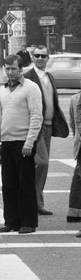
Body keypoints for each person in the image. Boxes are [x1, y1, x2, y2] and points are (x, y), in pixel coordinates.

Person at [0, 54, 42, 234]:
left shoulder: (31, 88)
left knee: (26, 184)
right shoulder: (3, 90)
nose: (10, 72)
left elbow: (37, 116)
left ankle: (28, 222)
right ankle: (11, 221)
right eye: (7, 69)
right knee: (8, 184)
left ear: (21, 70)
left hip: (24, 143)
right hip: (7, 142)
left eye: (14, 68)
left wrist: (30, 141)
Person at [23, 45, 69, 216]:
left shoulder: (49, 77)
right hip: (35, 127)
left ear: (48, 58)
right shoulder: (27, 77)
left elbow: (52, 103)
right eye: (37, 56)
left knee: (40, 165)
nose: (40, 58)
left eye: (44, 56)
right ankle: (31, 201)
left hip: (49, 126)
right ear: (32, 58)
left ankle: (37, 203)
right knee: (42, 163)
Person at [68, 89, 81, 225]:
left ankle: (74, 211)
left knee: (78, 176)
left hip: (79, 142)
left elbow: (73, 124)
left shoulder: (74, 99)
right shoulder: (75, 100)